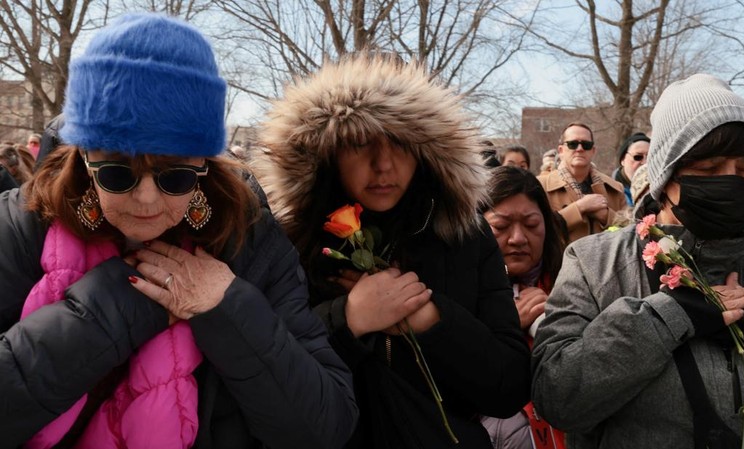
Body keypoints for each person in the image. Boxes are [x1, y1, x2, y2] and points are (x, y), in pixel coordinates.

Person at [0, 13, 357, 448]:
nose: (147, 199)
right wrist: (117, 309)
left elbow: (324, 427)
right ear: (85, 162)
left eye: (175, 178)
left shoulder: (247, 237)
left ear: (203, 168)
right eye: (117, 174)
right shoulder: (22, 226)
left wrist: (227, 307)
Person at [250, 53, 531, 449]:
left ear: (426, 149)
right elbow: (266, 380)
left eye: (400, 143)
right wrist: (348, 320)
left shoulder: (465, 235)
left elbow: (508, 387)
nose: (383, 165)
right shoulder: (289, 241)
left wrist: (429, 317)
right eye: (360, 142)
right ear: (329, 150)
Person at [531, 74, 744, 448]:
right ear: (665, 175)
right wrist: (664, 319)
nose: (730, 181)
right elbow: (557, 396)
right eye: (707, 170)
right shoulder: (594, 263)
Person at [479, 166, 566, 449]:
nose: (517, 238)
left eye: (530, 225)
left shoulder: (574, 283)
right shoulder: (452, 288)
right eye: (500, 227)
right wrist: (506, 326)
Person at [537, 122, 626, 243]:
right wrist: (580, 207)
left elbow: (630, 232)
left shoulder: (615, 188)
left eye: (586, 145)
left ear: (593, 150)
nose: (580, 149)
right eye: (572, 144)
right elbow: (537, 230)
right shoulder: (541, 186)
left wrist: (606, 216)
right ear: (561, 150)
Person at [611, 132, 650, 207]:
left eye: (650, 157)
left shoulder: (663, 191)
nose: (645, 162)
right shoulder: (610, 193)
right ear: (623, 160)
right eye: (637, 157)